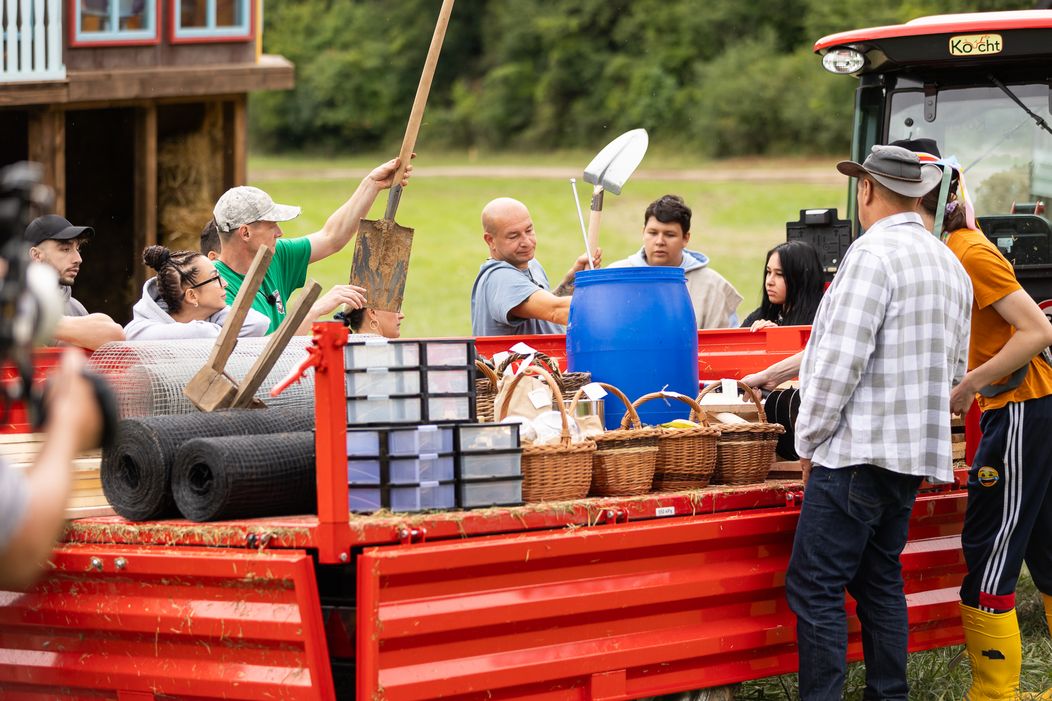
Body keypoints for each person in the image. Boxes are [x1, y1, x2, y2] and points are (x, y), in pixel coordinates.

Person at [786, 145, 972, 700]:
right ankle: (890, 695)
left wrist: (808, 440)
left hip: (855, 455)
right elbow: (955, 366)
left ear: (866, 189)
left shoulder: (870, 257)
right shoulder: (948, 262)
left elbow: (838, 362)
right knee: (880, 582)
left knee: (816, 587)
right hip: (911, 457)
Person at [910, 139, 1052, 699]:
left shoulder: (969, 252)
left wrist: (970, 384)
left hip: (1019, 411)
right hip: (1028, 411)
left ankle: (993, 694)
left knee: (990, 545)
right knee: (1044, 545)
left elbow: (1037, 331)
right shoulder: (954, 250)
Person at [211, 157, 412, 335]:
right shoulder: (214, 289)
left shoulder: (276, 255)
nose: (280, 233)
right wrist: (314, 310)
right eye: (272, 226)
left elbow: (331, 237)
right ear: (245, 232)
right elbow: (259, 356)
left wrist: (372, 184)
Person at [608, 194, 742, 328]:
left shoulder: (712, 285)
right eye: (653, 233)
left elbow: (726, 343)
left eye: (669, 235)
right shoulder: (614, 277)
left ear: (685, 238)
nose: (659, 242)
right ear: (643, 232)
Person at [471, 197, 599, 336]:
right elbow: (556, 311)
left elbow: (543, 310)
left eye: (529, 230)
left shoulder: (532, 265)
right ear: (490, 240)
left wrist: (572, 280)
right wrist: (614, 304)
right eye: (514, 236)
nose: (526, 242)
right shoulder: (500, 278)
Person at [124, 245, 269, 341]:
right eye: (215, 278)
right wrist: (210, 329)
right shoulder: (140, 330)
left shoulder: (208, 315)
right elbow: (202, 333)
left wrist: (214, 314)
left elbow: (258, 323)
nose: (225, 283)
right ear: (192, 296)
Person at [24, 215, 124, 350]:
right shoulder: (8, 304)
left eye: (77, 249)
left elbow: (115, 335)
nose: (78, 258)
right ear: (36, 255)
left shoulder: (76, 308)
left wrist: (39, 321)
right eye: (65, 249)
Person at [740, 240, 824, 331]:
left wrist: (779, 336)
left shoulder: (822, 320)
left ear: (801, 278)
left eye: (779, 274)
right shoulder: (760, 316)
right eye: (768, 272)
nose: (769, 281)